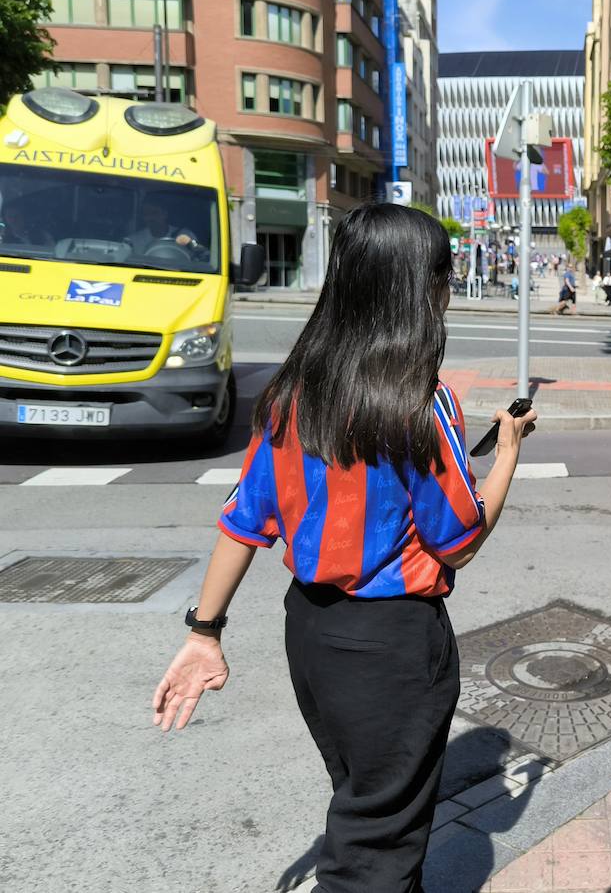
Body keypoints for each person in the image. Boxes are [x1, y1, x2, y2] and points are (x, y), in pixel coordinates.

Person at [150, 204, 537, 893]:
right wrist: (505, 453)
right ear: (424, 288)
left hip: (313, 634)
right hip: (392, 648)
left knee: (363, 802)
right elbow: (461, 541)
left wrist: (204, 632)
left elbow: (244, 519)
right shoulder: (418, 402)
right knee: (373, 857)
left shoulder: (291, 394)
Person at [127, 197, 198, 254]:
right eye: (146, 214)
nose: (150, 217)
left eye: (155, 213)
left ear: (165, 214)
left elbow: (199, 253)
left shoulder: (187, 235)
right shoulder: (133, 241)